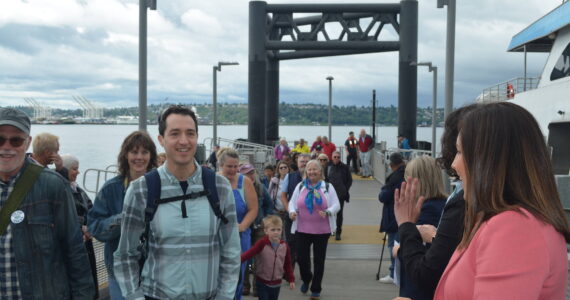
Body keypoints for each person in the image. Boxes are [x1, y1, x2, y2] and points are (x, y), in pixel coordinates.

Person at [396, 102, 570, 299]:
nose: (454, 163)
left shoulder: (515, 228)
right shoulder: (511, 221)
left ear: (488, 161)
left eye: (460, 152)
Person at [112, 105, 241, 299]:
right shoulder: (140, 190)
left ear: (197, 137)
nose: (184, 141)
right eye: (175, 134)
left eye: (190, 133)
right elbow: (125, 255)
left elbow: (230, 251)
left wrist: (224, 296)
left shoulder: (220, 188)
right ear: (161, 140)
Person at [0, 108, 95, 299]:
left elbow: (74, 251)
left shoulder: (53, 185)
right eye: (0, 139)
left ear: (27, 142)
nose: (6, 147)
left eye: (16, 140)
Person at [392, 104, 478, 298]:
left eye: (459, 151)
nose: (453, 164)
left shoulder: (459, 205)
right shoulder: (457, 200)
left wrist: (406, 226)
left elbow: (427, 270)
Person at [88, 130, 158, 300]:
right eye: (134, 152)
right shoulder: (110, 189)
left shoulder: (161, 187)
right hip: (119, 273)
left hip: (156, 271)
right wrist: (125, 218)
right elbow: (95, 228)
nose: (139, 157)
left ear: (151, 156)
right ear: (125, 155)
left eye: (144, 152)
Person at [393, 156, 446, 300]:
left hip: (416, 290)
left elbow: (410, 251)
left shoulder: (425, 211)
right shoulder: (445, 207)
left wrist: (398, 247)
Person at [288, 159, 340, 300]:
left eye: (314, 169)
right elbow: (292, 203)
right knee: (301, 259)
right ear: (306, 172)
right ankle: (306, 278)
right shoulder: (300, 186)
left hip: (322, 230)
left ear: (320, 172)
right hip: (302, 228)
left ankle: (316, 288)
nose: (311, 172)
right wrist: (292, 212)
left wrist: (328, 211)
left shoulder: (327, 187)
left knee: (319, 260)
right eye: (309, 169)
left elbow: (337, 204)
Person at [217, 147, 259, 300]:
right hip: (218, 237)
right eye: (229, 166)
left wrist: (242, 226)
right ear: (221, 165)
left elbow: (253, 209)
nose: (233, 170)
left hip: (241, 236)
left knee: (238, 275)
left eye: (236, 166)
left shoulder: (244, 182)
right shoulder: (214, 181)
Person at [62, 154, 100, 299]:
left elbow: (92, 210)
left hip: (85, 240)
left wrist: (92, 225)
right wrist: (82, 226)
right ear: (65, 170)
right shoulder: (61, 189)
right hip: (74, 243)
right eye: (74, 169)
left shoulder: (77, 189)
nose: (78, 172)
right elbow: (63, 215)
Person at [239, 163, 274, 297]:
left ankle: (257, 287)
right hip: (244, 227)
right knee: (245, 257)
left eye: (252, 172)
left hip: (259, 227)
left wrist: (265, 219)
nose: (251, 175)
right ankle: (245, 286)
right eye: (247, 173)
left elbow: (269, 205)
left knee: (260, 258)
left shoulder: (261, 187)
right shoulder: (237, 188)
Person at [241, 215, 296, 300]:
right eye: (273, 230)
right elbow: (249, 254)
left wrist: (291, 279)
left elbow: (288, 264)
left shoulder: (284, 246)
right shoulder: (262, 243)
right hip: (262, 281)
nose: (276, 232)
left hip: (277, 282)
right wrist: (238, 260)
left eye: (278, 229)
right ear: (266, 231)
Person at [378, 152, 405, 284]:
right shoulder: (407, 174)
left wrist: (383, 190)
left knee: (392, 243)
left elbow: (384, 196)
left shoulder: (395, 177)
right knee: (400, 243)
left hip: (393, 214)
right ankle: (398, 272)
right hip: (404, 213)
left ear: (392, 165)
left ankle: (394, 272)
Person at [280, 153, 311, 269]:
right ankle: (289, 270)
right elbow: (283, 196)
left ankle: (305, 271)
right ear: (297, 163)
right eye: (301, 161)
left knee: (304, 246)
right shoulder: (289, 177)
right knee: (290, 244)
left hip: (308, 218)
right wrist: (289, 210)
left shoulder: (314, 177)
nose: (304, 164)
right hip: (291, 217)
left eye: (306, 161)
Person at [326, 151, 352, 241]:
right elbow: (325, 179)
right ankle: (330, 230)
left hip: (340, 194)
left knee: (339, 214)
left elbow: (349, 180)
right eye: (335, 157)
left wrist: (345, 189)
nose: (336, 158)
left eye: (338, 157)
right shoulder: (328, 166)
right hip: (329, 194)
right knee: (330, 212)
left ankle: (338, 232)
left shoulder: (345, 167)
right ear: (332, 157)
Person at [269, 161, 290, 226]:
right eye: (281, 168)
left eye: (285, 167)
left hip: (288, 211)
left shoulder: (292, 180)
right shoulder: (274, 181)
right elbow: (269, 194)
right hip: (277, 211)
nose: (283, 169)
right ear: (278, 170)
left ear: (288, 168)